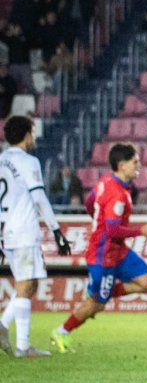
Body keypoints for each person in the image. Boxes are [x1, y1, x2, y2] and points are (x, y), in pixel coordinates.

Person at [51, 143, 147, 353]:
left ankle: (102, 291)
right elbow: (111, 231)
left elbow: (89, 201)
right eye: (134, 162)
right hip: (104, 255)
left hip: (119, 251)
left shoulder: (106, 180)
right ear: (122, 165)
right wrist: (141, 231)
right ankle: (62, 331)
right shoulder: (118, 194)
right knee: (96, 305)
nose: (138, 165)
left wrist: (97, 219)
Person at [0, 117, 73, 357]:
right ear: (26, 135)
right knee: (26, 284)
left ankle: (5, 326)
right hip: (23, 231)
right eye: (32, 132)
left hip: (6, 231)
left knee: (28, 284)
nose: (34, 137)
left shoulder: (1, 160)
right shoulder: (28, 161)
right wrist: (56, 230)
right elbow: (39, 197)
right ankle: (22, 346)